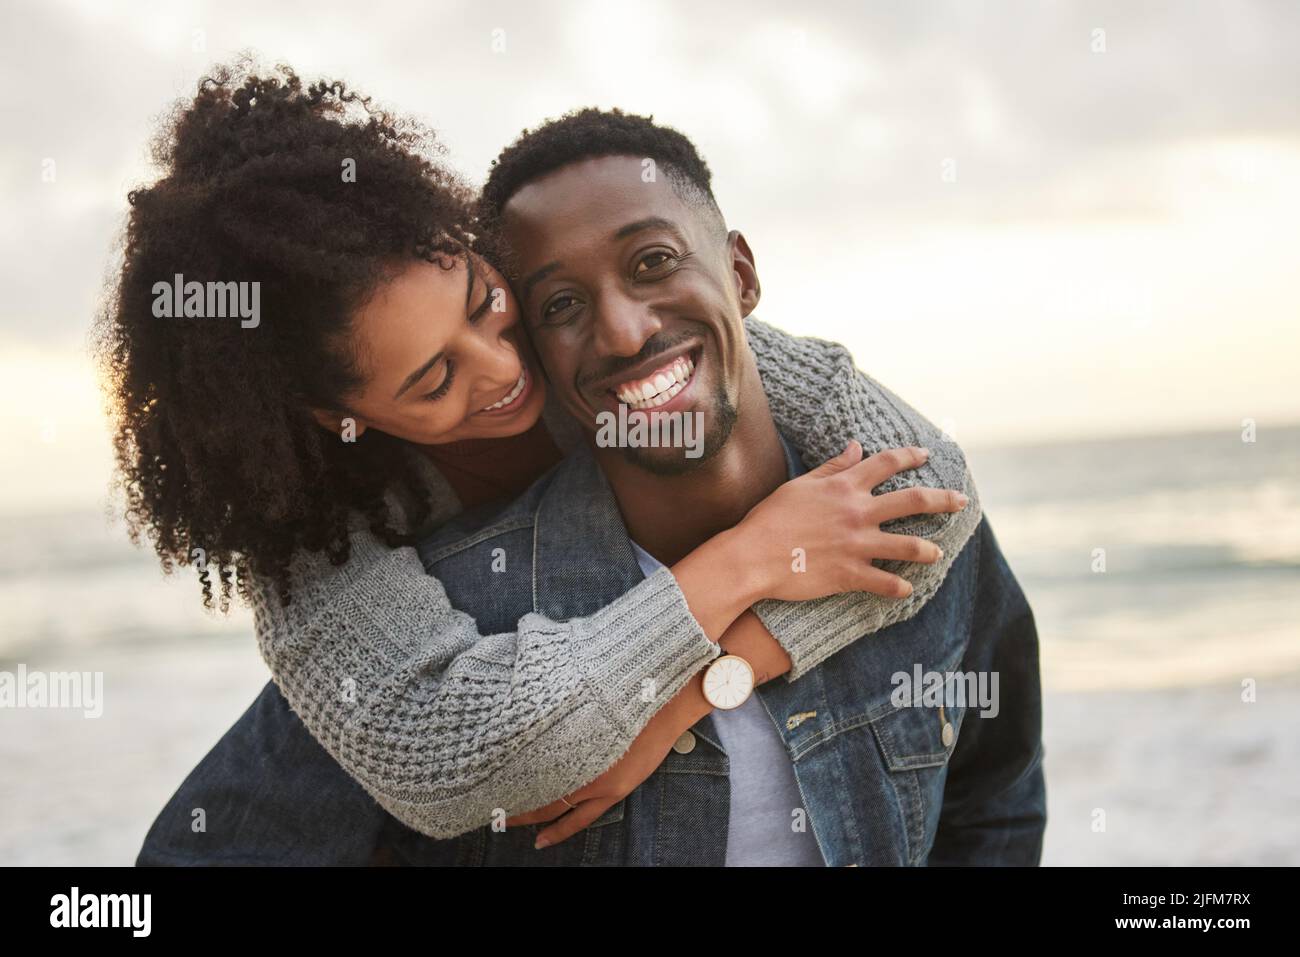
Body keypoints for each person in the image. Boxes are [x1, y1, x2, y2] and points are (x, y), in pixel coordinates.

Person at [98, 63, 981, 859]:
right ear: (340, 417)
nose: (506, 368)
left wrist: (683, 700)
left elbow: (928, 487)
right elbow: (455, 758)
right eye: (436, 377)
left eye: (485, 304)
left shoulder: (592, 340)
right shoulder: (314, 548)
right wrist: (750, 557)